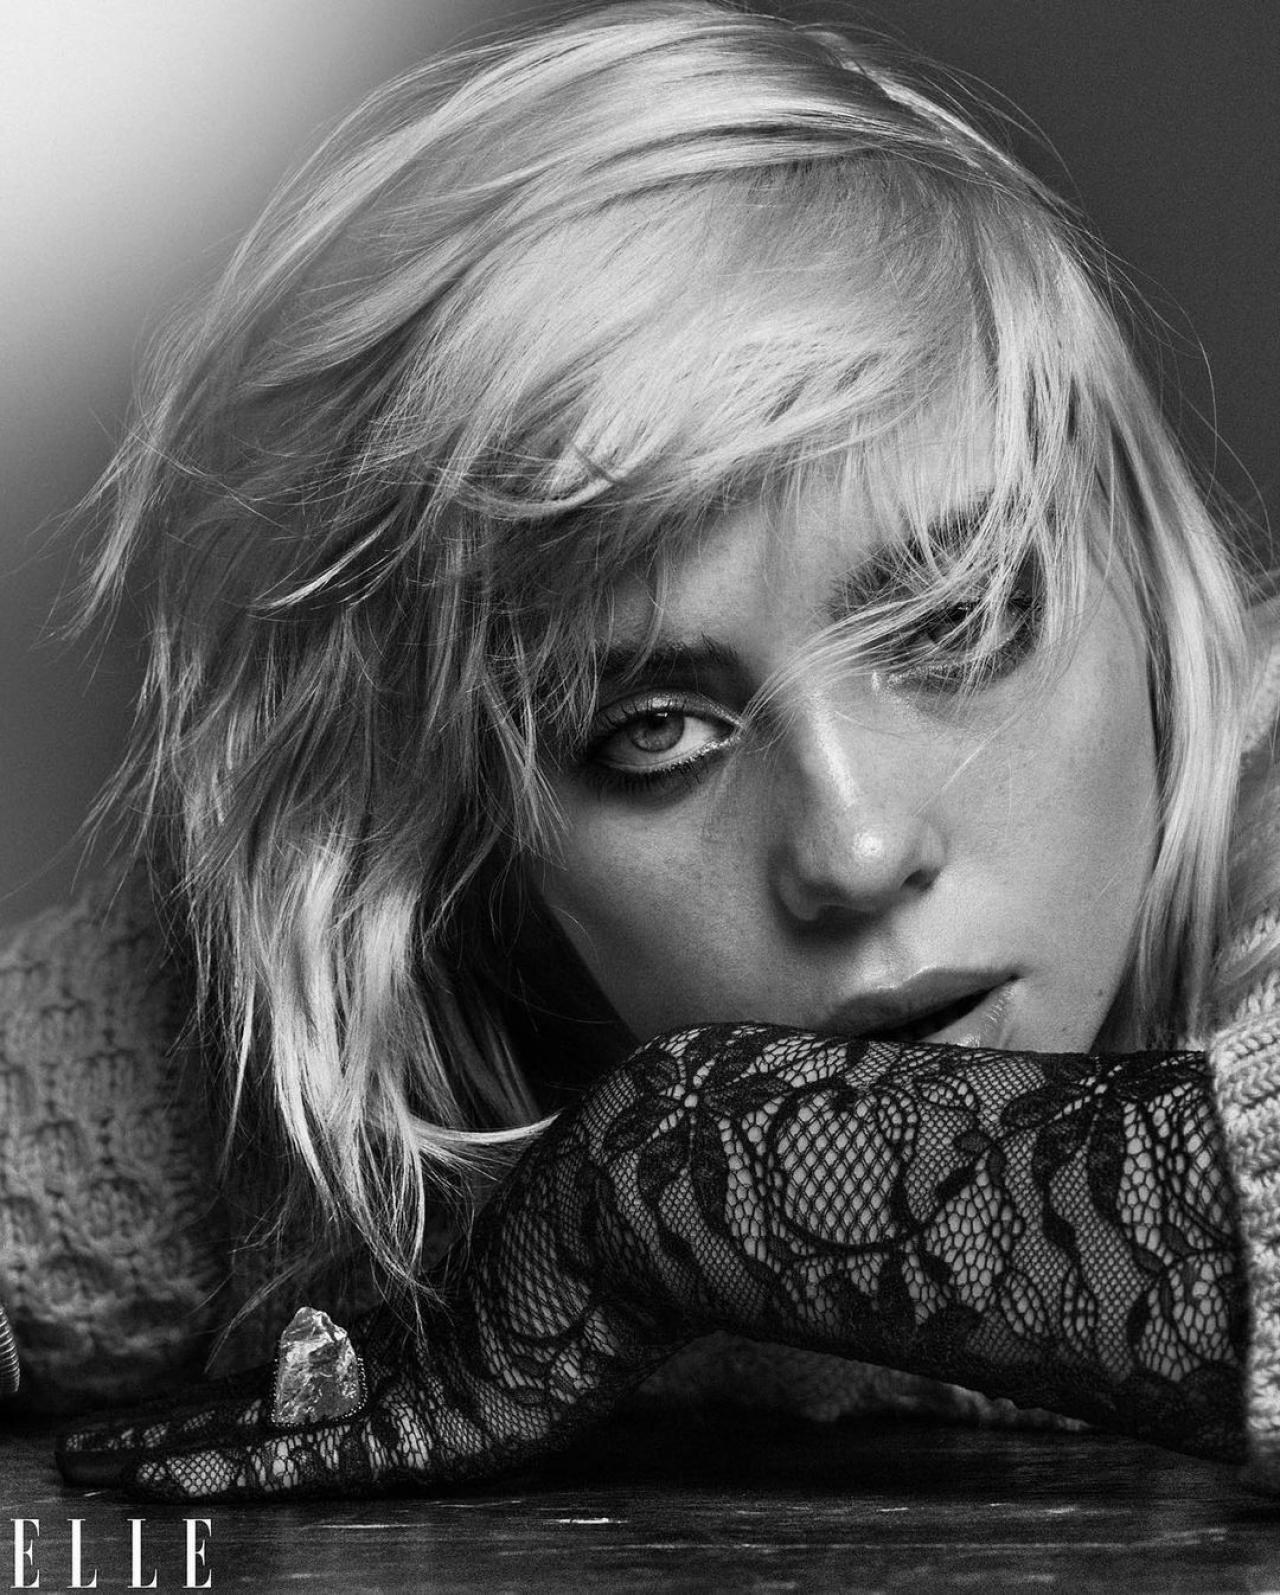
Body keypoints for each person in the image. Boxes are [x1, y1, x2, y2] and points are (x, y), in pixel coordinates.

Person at [3, 0, 1278, 1499]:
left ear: (1151, 590)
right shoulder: (354, 1045)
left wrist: (663, 1178)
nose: (857, 849)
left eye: (956, 620)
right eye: (653, 734)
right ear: (481, 854)